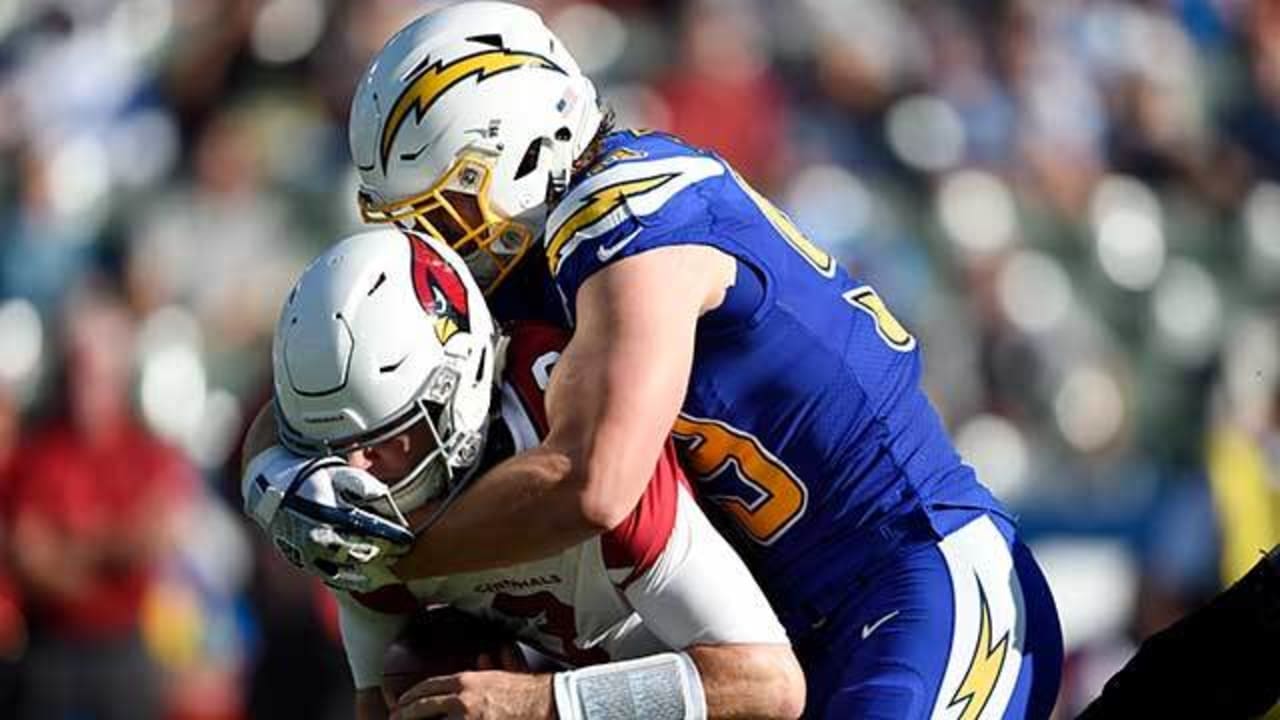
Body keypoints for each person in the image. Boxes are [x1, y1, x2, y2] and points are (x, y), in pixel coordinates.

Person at [243, 3, 1064, 717]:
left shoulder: (632, 216)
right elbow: (304, 412)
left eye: (446, 210)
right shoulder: (534, 258)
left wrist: (385, 552)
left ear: (525, 149)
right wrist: (279, 483)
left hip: (912, 573)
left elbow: (592, 481)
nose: (432, 245)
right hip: (781, 624)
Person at [245, 228, 804, 720]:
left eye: (381, 441)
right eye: (327, 445)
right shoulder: (339, 510)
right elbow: (378, 701)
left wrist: (541, 703)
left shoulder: (574, 440)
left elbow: (766, 684)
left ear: (454, 393)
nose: (353, 471)